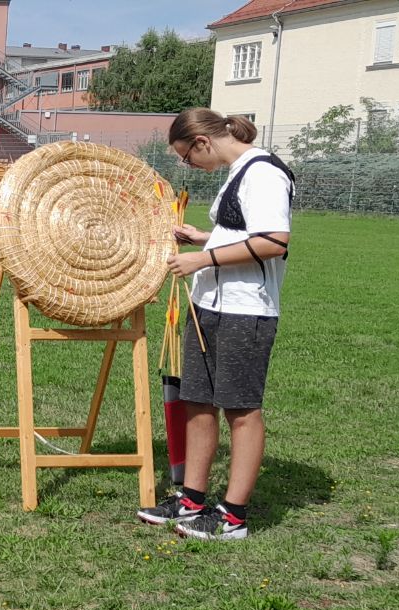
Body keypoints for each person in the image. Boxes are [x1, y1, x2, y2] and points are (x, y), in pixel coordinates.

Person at [138, 108, 294, 541]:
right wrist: (205, 238)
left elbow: (274, 241)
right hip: (209, 304)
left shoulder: (263, 173)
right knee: (198, 401)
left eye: (187, 156)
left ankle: (233, 517)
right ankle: (191, 499)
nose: (188, 164)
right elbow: (245, 233)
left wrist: (202, 259)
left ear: (203, 142)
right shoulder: (238, 171)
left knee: (241, 410)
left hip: (247, 309)